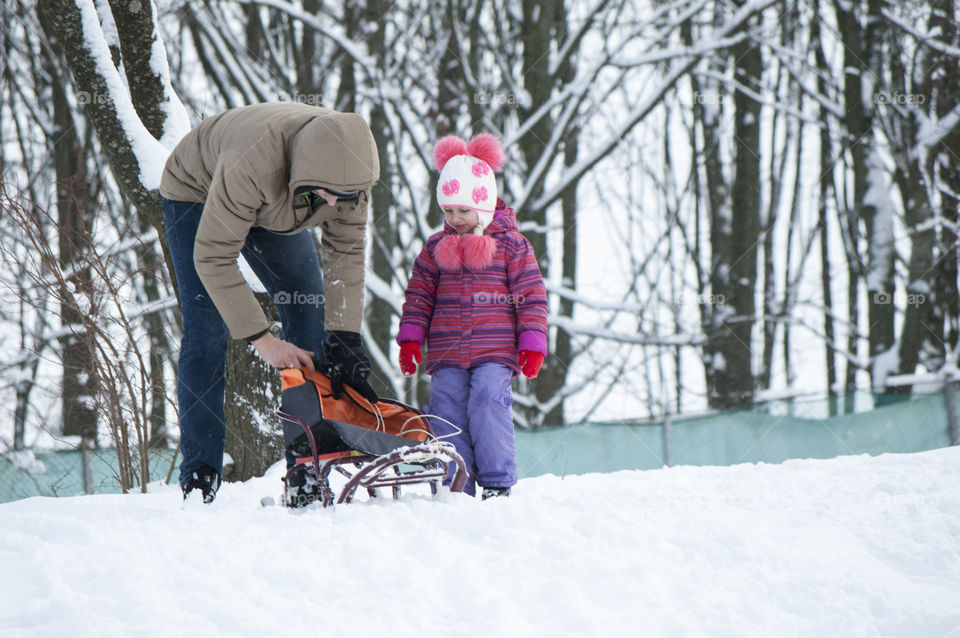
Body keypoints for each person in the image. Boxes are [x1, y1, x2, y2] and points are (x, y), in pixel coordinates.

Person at [159, 102, 380, 503]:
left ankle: (306, 466)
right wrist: (264, 340)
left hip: (280, 202)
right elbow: (212, 256)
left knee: (308, 307)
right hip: (198, 190)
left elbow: (346, 256)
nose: (336, 205)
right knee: (206, 328)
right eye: (331, 195)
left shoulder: (347, 180)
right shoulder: (253, 164)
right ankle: (200, 475)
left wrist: (346, 338)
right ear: (312, 173)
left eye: (346, 197)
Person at [396, 133, 548, 499]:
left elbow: (531, 295)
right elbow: (419, 295)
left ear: (483, 205)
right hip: (447, 352)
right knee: (447, 412)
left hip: (495, 351)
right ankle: (454, 487)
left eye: (463, 210)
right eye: (448, 210)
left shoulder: (512, 245)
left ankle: (497, 483)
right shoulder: (435, 249)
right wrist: (411, 338)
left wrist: (533, 344)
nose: (455, 218)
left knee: (487, 402)